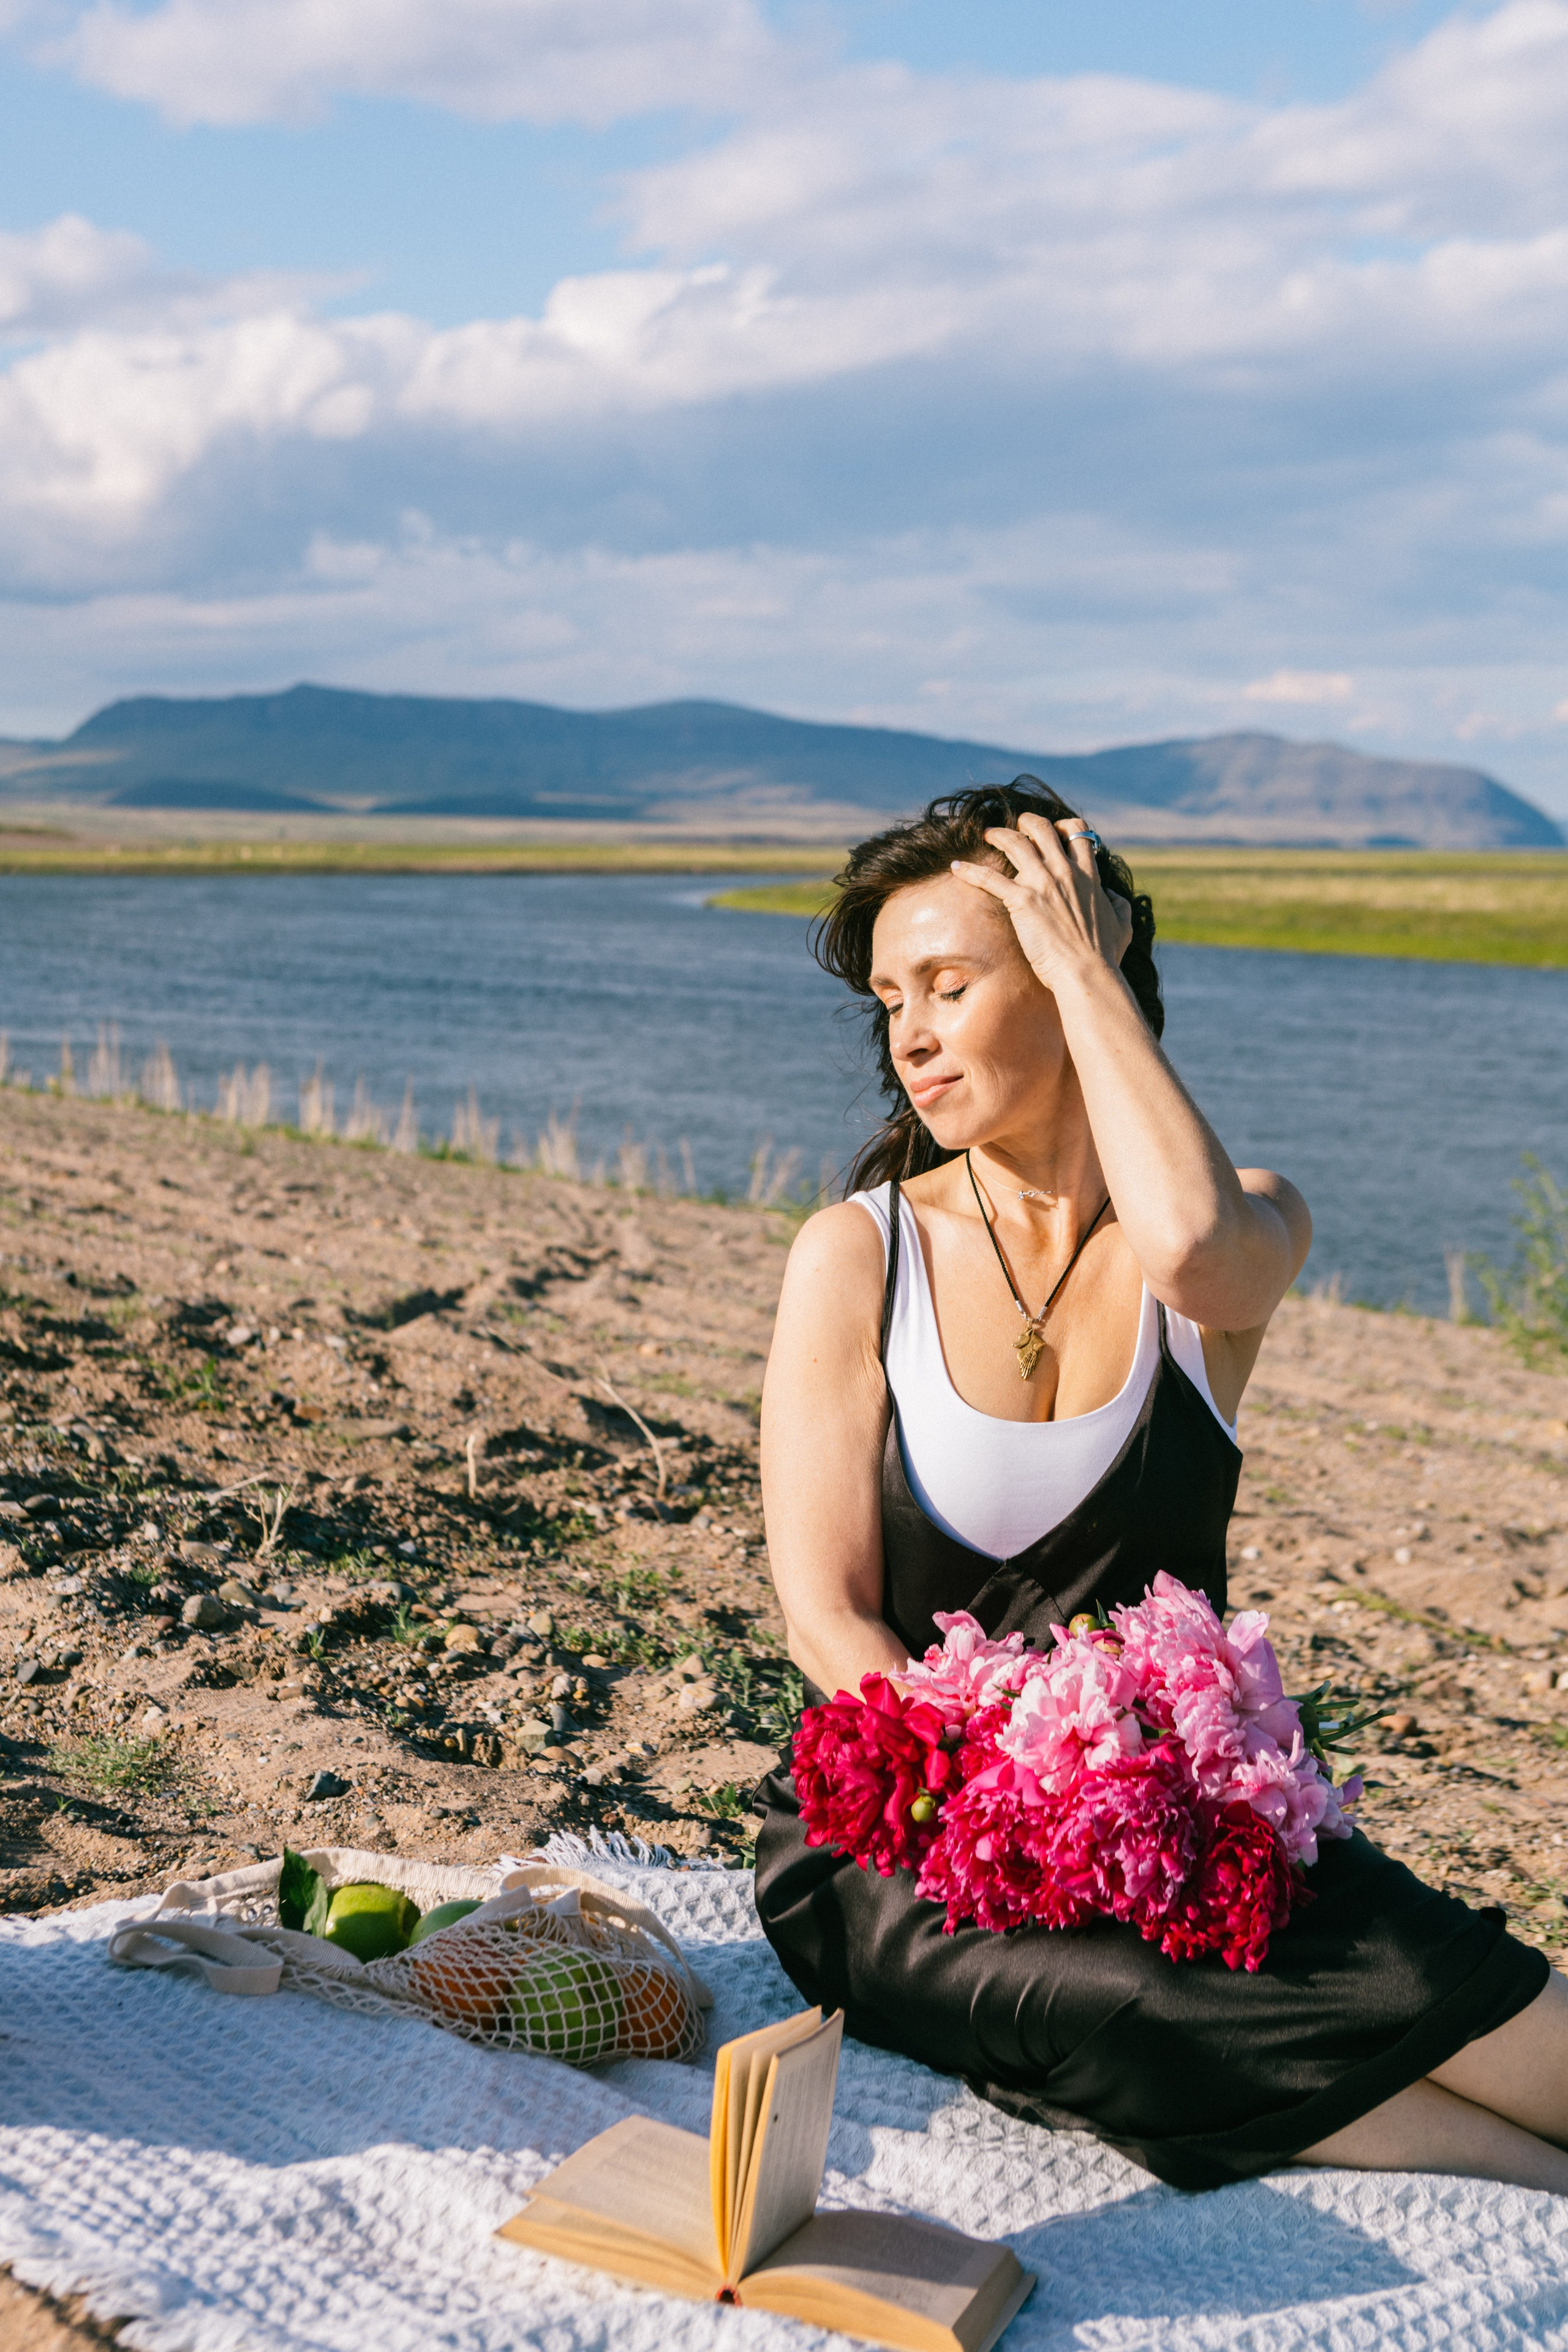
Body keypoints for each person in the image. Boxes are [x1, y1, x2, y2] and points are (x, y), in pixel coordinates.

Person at [753, 780, 1568, 2193]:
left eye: (950, 982)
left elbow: (1190, 1244)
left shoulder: (1246, 1221)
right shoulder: (855, 1253)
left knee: (1471, 1998)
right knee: (1126, 1998)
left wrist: (1084, 961)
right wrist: (1013, 1801)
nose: (912, 1034)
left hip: (1186, 1834)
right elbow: (826, 1615)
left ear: (1077, 974)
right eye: (891, 998)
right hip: (905, 1855)